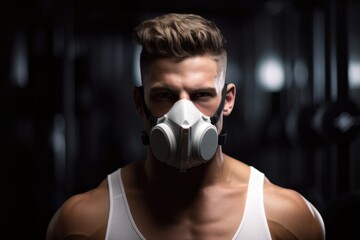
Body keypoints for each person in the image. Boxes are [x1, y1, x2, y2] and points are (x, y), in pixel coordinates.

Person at [46, 13, 326, 240]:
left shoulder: (287, 220)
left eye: (201, 95)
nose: (183, 115)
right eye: (164, 95)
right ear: (139, 101)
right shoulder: (85, 223)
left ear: (227, 101)